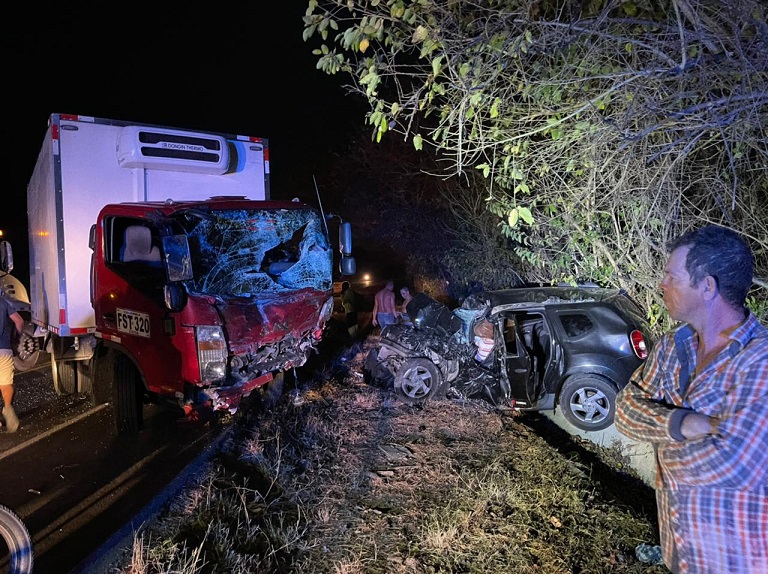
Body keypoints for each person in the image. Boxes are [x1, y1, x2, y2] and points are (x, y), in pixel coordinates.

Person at [614, 225, 768, 574]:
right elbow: (623, 410)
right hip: (681, 553)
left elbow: (734, 463)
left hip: (739, 561)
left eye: (672, 275)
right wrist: (684, 424)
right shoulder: (672, 346)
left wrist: (659, 432)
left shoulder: (760, 358)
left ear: (707, 286)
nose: (661, 284)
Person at [0, 297, 25, 433]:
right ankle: (8, 408)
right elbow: (19, 320)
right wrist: (18, 336)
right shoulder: (3, 302)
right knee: (5, 383)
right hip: (3, 349)